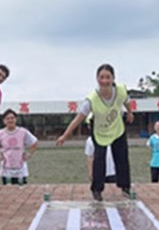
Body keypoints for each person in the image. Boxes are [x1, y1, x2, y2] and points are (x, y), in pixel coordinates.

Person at [56, 63, 133, 202]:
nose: (105, 81)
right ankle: (97, 190)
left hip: (117, 128)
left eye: (108, 77)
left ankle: (125, 187)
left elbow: (127, 101)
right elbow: (78, 119)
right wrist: (65, 135)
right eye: (101, 77)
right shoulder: (91, 99)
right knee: (99, 160)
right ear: (97, 79)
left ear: (113, 78)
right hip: (100, 131)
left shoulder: (121, 90)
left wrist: (130, 113)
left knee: (122, 158)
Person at [0, 108, 37, 184]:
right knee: (7, 189)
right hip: (6, 168)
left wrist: (29, 154)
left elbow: (34, 142)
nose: (10, 120)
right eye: (7, 119)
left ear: (16, 119)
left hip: (20, 166)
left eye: (12, 118)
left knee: (22, 189)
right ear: (4, 121)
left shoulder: (23, 131)